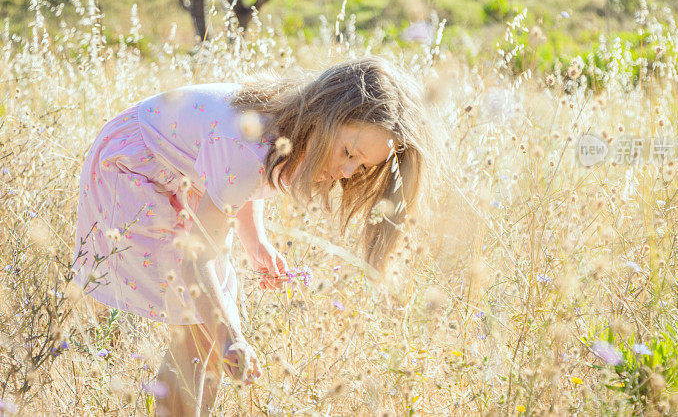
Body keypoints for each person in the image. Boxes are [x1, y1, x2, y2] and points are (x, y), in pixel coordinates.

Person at [71, 56, 430, 415]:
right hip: (132, 169)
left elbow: (243, 184)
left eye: (362, 166)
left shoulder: (289, 132)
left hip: (176, 171)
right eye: (348, 153)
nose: (347, 171)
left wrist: (255, 240)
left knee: (210, 320)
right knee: (200, 321)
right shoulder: (248, 147)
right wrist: (232, 339)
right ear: (323, 114)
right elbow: (199, 255)